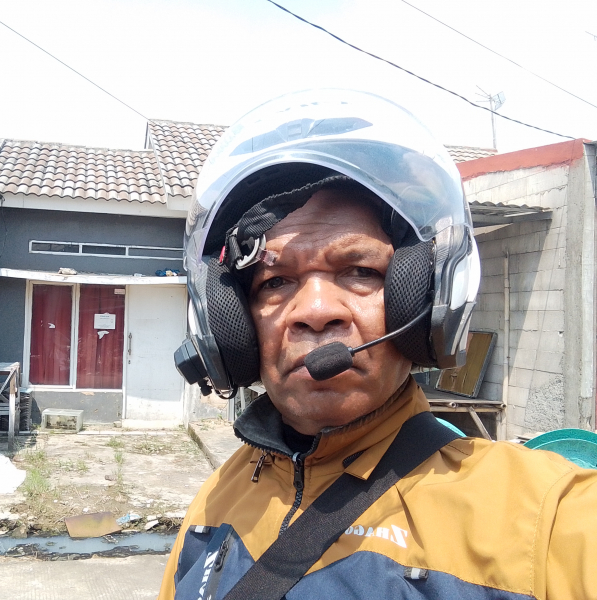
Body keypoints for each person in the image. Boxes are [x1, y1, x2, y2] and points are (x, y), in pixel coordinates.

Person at [161, 89, 597, 599]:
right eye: (275, 282)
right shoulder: (214, 504)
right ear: (234, 325)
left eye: (360, 271)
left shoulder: (545, 517)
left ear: (424, 302)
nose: (315, 310)